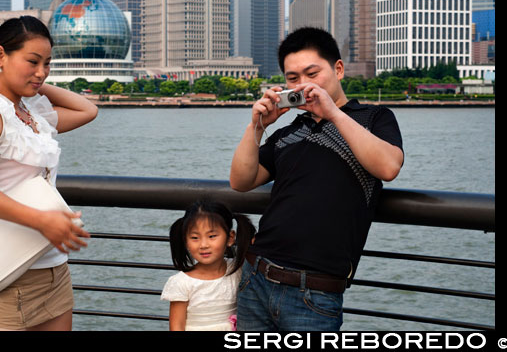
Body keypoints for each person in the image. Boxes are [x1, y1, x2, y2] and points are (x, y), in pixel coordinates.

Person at [229, 27, 404, 331]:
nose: (303, 85)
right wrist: (256, 126)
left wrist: (333, 113)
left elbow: (388, 167)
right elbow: (241, 181)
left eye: (313, 73)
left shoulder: (374, 118)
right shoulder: (289, 131)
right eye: (293, 78)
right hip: (255, 277)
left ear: (338, 69)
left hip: (316, 290)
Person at [0, 16, 98, 331]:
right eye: (32, 61)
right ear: (0, 55)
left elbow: (88, 110)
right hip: (8, 275)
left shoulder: (31, 115)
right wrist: (43, 220)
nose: (42, 71)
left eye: (47, 64)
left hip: (54, 270)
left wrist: (32, 79)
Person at [161, 200, 256, 331]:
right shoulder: (181, 282)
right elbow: (176, 326)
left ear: (230, 238)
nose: (203, 245)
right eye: (195, 238)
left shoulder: (238, 269)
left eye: (212, 236)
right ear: (185, 241)